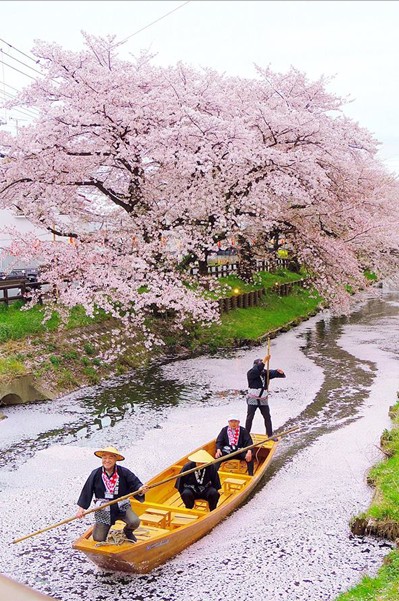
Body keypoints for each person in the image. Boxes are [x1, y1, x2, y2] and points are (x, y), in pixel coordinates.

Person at [76, 446, 149, 543]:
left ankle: (127, 531)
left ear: (115, 459)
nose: (107, 460)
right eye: (104, 457)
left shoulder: (124, 472)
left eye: (110, 457)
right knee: (98, 538)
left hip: (122, 506)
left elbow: (135, 484)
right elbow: (87, 490)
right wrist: (81, 509)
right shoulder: (95, 473)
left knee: (134, 522)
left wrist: (141, 489)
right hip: (104, 508)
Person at [245, 353, 286, 436]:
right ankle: (246, 435)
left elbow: (274, 373)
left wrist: (279, 372)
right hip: (253, 399)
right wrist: (265, 360)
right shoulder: (251, 373)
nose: (262, 368)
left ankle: (269, 434)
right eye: (260, 365)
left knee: (267, 417)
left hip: (263, 399)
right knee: (250, 417)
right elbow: (258, 369)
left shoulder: (265, 373)